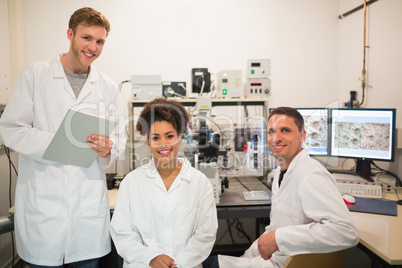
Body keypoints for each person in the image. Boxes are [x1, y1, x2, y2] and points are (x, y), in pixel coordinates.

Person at [0, 7, 126, 267]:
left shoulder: (108, 87)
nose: (93, 47)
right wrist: (61, 143)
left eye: (100, 41)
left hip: (86, 215)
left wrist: (109, 149)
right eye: (86, 38)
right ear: (70, 34)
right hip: (44, 210)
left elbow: (119, 138)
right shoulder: (35, 75)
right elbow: (12, 129)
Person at [206, 106, 359, 268]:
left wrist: (279, 238)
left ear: (302, 136)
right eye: (271, 131)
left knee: (201, 264)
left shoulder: (311, 174)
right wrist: (247, 257)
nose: (276, 138)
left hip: (289, 264)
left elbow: (346, 232)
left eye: (285, 130)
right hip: (271, 260)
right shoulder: (282, 171)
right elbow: (274, 229)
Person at [110, 98, 218, 268]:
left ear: (179, 138)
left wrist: (178, 263)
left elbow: (205, 234)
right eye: (156, 138)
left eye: (169, 136)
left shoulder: (199, 182)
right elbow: (122, 233)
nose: (163, 144)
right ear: (148, 142)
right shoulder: (131, 183)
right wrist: (150, 258)